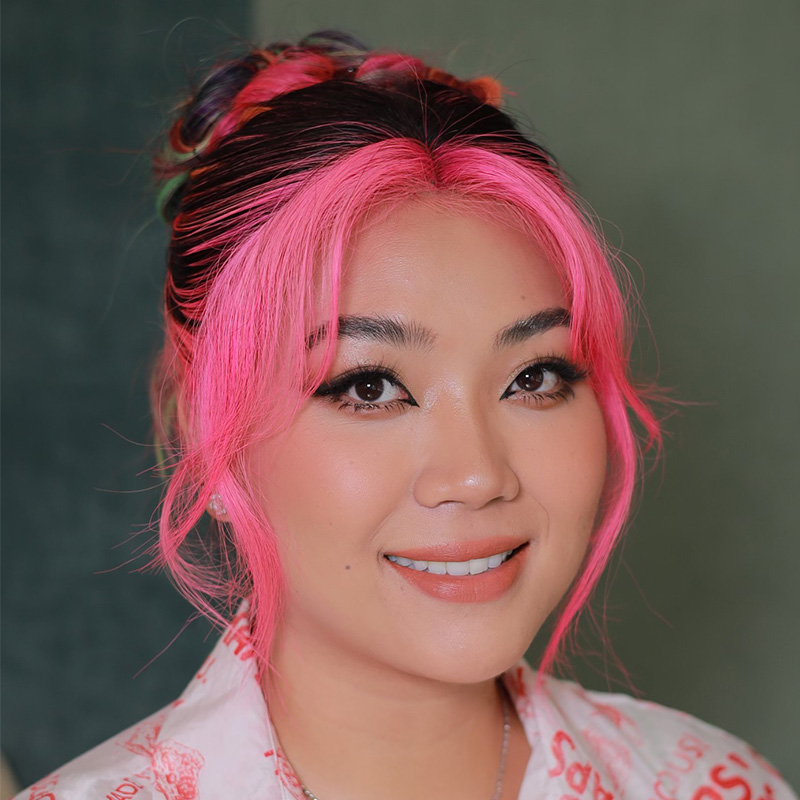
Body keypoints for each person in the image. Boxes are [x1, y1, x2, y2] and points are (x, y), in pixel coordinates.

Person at [16, 31, 796, 800]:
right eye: (369, 388)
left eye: (534, 377)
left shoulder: (713, 784)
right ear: (206, 434)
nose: (476, 475)